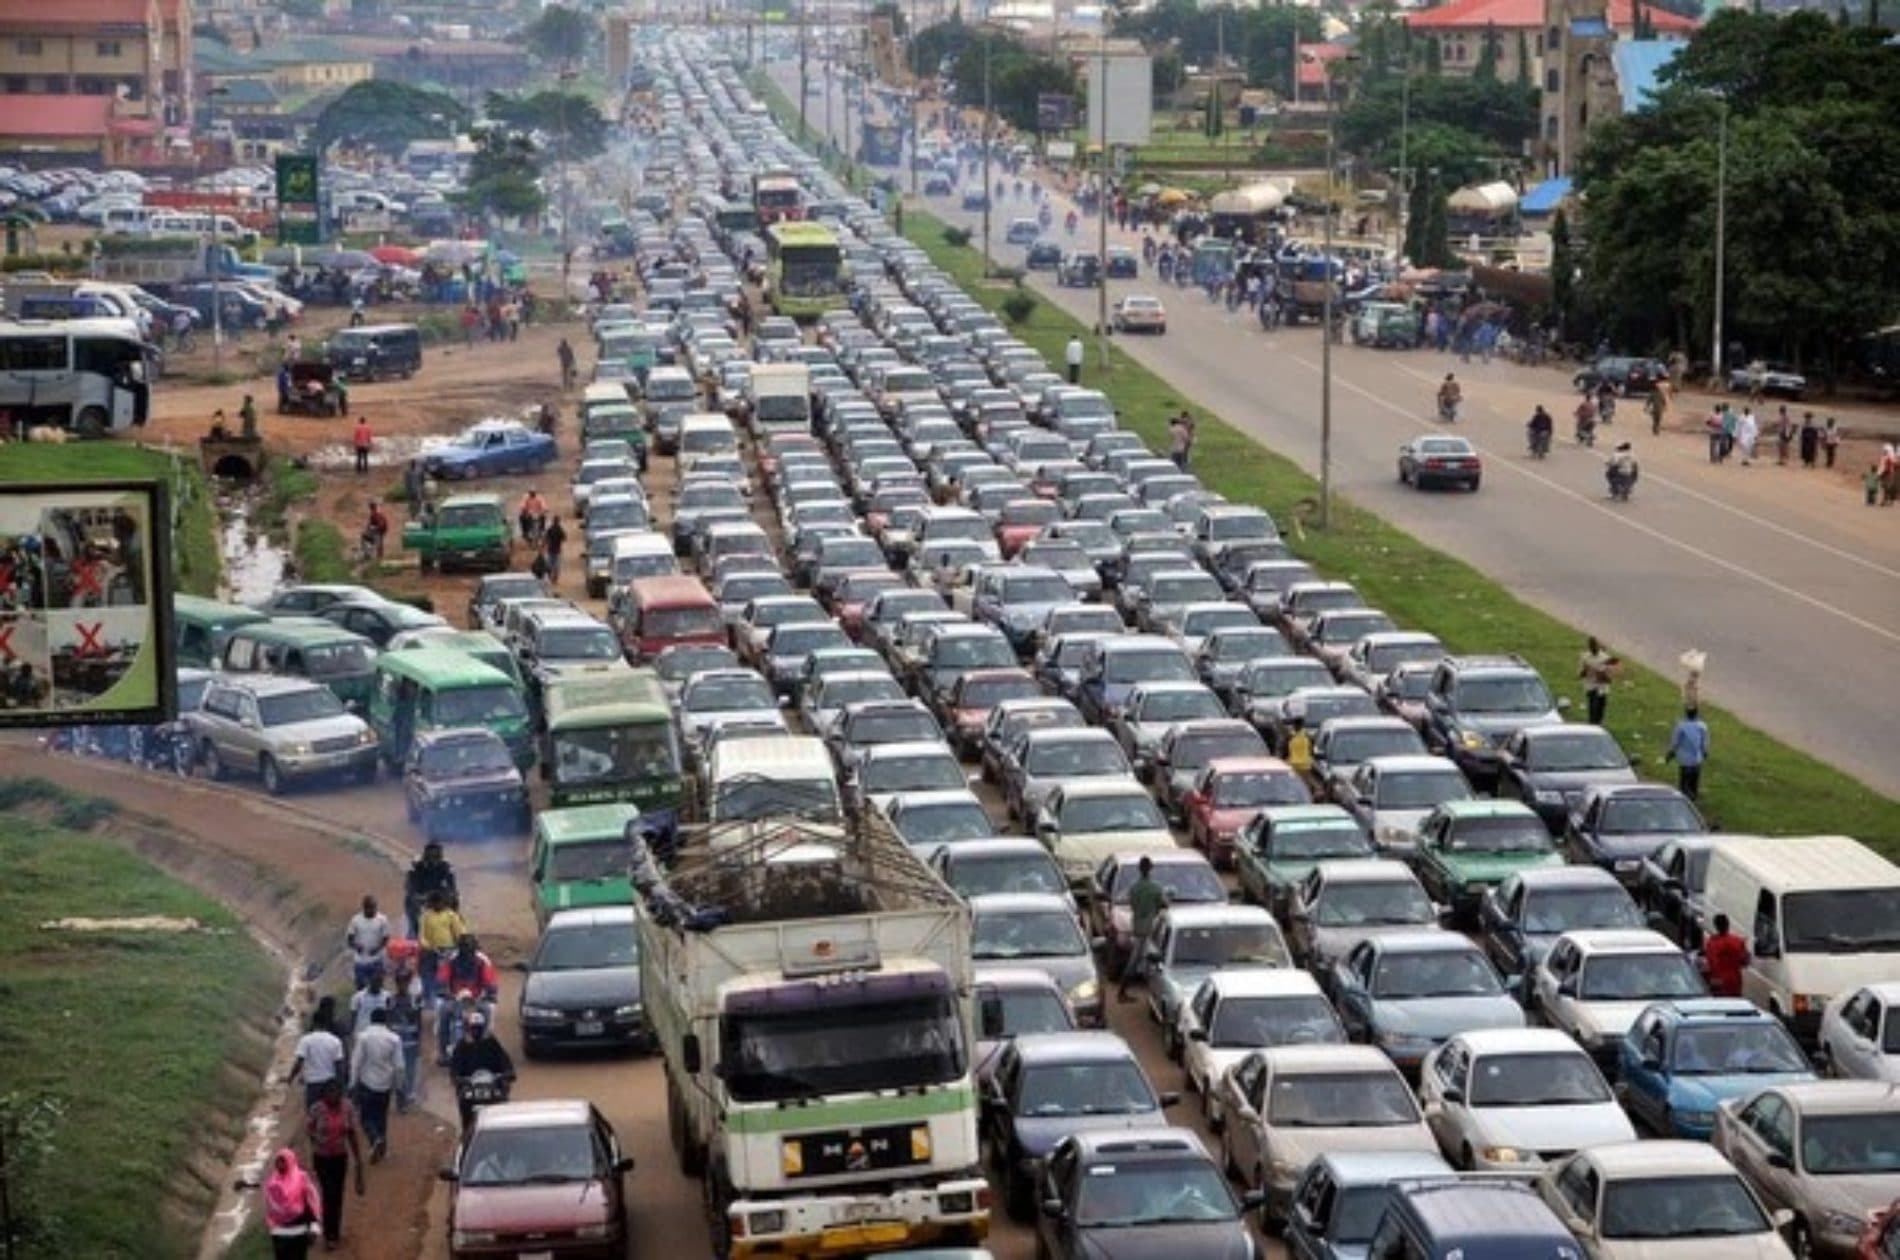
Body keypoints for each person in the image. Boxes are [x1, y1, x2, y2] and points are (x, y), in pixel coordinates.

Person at [305, 1080, 364, 1249]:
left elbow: (352, 1134)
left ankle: (334, 1233)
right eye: (330, 1093)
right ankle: (328, 1235)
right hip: (321, 1158)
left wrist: (358, 1162)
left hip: (340, 1158)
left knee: (337, 1195)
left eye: (337, 1092)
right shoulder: (317, 1109)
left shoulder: (348, 1108)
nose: (334, 1096)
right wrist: (317, 1140)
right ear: (324, 1095)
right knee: (329, 1193)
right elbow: (308, 1129)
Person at [448, 1010, 516, 1131]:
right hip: (470, 1088)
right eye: (473, 1028)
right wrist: (457, 1078)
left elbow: (504, 1060)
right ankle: (467, 1135)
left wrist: (507, 1073)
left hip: (493, 1087)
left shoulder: (491, 1043)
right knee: (464, 1104)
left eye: (478, 1028)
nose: (476, 1031)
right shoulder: (462, 1046)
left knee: (503, 1104)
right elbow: (455, 1067)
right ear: (468, 1028)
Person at [349, 1007, 403, 1161]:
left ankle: (374, 1139)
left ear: (371, 1020)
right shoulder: (394, 1038)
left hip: (367, 1083)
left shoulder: (363, 1037)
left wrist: (353, 1083)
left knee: (365, 1117)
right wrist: (398, 1087)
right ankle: (383, 1149)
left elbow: (356, 1062)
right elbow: (399, 1066)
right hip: (385, 1084)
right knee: (381, 1117)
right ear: (385, 1020)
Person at [437, 933, 499, 1061]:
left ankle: (484, 1045)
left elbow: (490, 981)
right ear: (459, 949)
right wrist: (443, 989)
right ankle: (443, 1052)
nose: (467, 952)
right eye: (464, 949)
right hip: (455, 999)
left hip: (476, 1000)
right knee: (442, 1012)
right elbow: (442, 977)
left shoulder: (482, 961)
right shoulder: (451, 960)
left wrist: (491, 991)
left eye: (470, 949)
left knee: (488, 1011)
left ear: (475, 949)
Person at [1117, 856, 1167, 1002]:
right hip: (1148, 929)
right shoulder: (1155, 888)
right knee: (1138, 961)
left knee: (1142, 960)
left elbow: (1132, 904)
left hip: (1137, 926)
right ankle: (1122, 992)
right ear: (1150, 870)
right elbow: (1163, 904)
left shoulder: (1134, 888)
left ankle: (1128, 991)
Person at [260, 1147, 322, 1260]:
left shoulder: (302, 1178)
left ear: (290, 1161)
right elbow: (268, 1206)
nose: (279, 1164)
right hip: (279, 1232)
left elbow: (312, 1201)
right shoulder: (272, 1183)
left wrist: (314, 1226)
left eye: (283, 1161)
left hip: (299, 1230)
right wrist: (271, 1225)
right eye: (277, 1161)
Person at [385, 962, 426, 1112]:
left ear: (408, 982)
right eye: (400, 981)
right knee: (397, 1069)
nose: (402, 984)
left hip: (410, 1040)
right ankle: (400, 1096)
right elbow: (388, 1021)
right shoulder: (391, 1000)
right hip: (395, 1040)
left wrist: (419, 1040)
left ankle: (407, 1096)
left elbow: (418, 1021)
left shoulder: (415, 1000)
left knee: (409, 1070)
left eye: (405, 981)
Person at [288, 1007, 346, 1110]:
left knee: (312, 1112)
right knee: (329, 1112)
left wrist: (291, 1077)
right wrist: (341, 1085)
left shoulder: (306, 1040)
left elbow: (299, 1062)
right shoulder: (335, 1041)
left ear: (314, 1023)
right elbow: (339, 1065)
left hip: (312, 1083)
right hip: (329, 1084)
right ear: (326, 1024)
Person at [402, 842, 457, 938]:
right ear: (426, 855)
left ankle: (454, 928)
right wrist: (419, 897)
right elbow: (410, 889)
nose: (434, 859)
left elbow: (452, 887)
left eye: (436, 856)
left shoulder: (445, 866)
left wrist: (450, 895)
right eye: (431, 856)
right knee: (412, 904)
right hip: (420, 894)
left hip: (437, 895)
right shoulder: (417, 867)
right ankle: (414, 931)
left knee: (454, 900)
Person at [1698, 913, 1751, 998]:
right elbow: (1745, 961)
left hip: (1717, 982)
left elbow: (1708, 963)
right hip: (1734, 982)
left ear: (1716, 926)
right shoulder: (1738, 941)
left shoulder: (1711, 943)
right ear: (1728, 924)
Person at [1664, 706, 1710, 801]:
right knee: (1694, 784)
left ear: (1686, 713)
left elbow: (1675, 743)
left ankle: (1684, 801)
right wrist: (1705, 753)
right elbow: (1704, 743)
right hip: (1696, 760)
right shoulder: (1702, 726)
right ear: (1697, 714)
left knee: (1684, 784)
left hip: (1684, 761)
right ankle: (1693, 799)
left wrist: (1670, 755)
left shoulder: (1681, 726)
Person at [345, 895, 390, 991]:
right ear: (364, 908)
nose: (372, 910)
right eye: (370, 908)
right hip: (360, 962)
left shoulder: (382, 920)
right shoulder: (356, 920)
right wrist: (357, 946)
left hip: (377, 960)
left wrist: (377, 948)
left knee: (378, 989)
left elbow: (386, 938)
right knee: (361, 989)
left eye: (374, 907)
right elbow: (350, 939)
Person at [1579, 636, 1618, 726]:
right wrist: (1586, 670)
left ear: (1598, 646)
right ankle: (1592, 724)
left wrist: (1602, 675)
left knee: (1600, 708)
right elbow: (1580, 674)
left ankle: (1598, 724)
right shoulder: (1585, 657)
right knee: (1592, 708)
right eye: (1591, 646)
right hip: (1591, 687)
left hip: (1602, 688)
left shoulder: (1605, 658)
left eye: (1595, 646)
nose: (1593, 648)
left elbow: (1609, 678)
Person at [542, 514, 567, 587]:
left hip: (551, 550)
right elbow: (565, 538)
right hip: (556, 550)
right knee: (556, 566)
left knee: (550, 565)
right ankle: (554, 579)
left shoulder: (551, 529)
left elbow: (545, 538)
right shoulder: (559, 529)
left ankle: (551, 579)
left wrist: (544, 545)